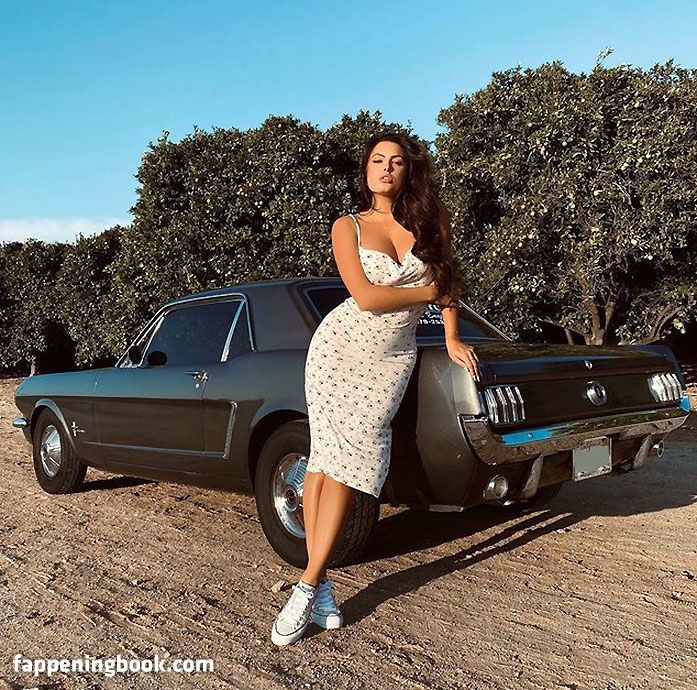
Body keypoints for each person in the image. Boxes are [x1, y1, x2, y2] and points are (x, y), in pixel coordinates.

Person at [271, 132, 482, 646]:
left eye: (396, 161)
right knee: (325, 464)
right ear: (365, 171)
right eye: (377, 160)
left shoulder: (431, 223)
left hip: (390, 361)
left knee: (350, 464)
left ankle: (312, 584)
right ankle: (310, 585)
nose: (386, 168)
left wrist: (452, 337)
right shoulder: (347, 226)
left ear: (409, 171)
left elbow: (451, 283)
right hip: (338, 352)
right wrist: (430, 289)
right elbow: (366, 297)